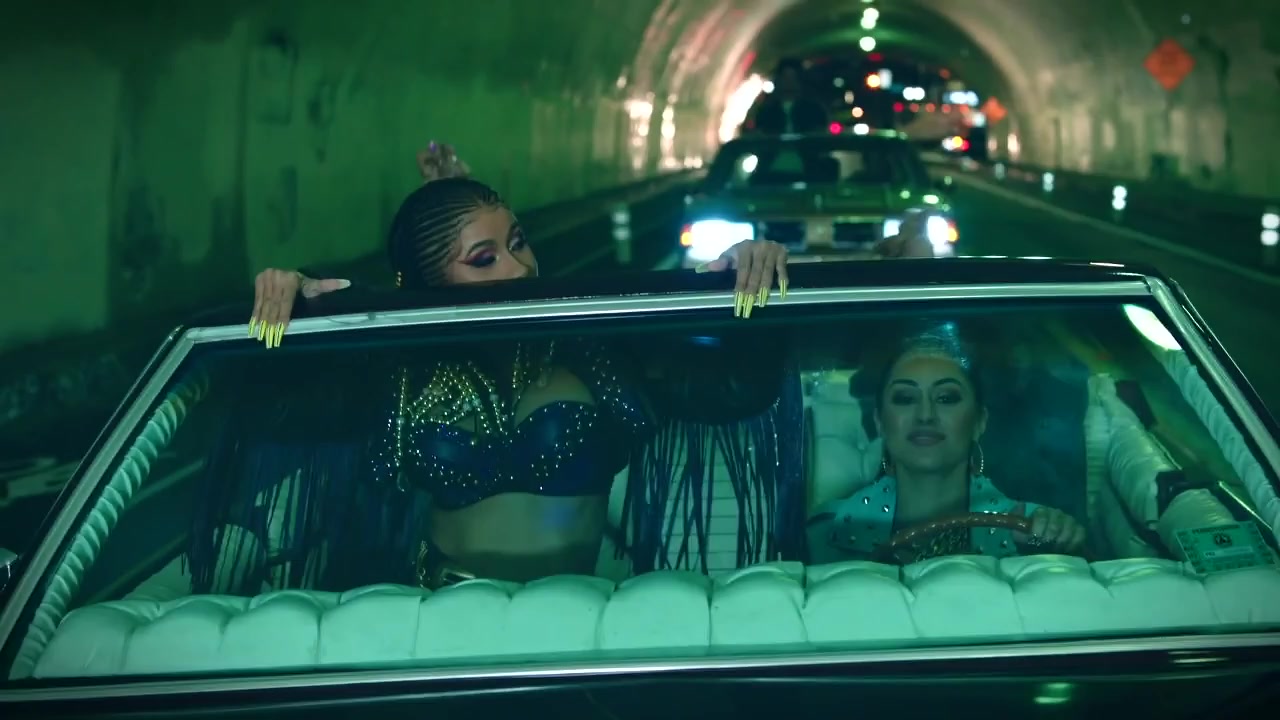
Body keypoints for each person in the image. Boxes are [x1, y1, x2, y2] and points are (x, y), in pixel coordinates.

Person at [190, 150, 799, 594]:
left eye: (518, 242)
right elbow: (275, 412)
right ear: (432, 286)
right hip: (439, 618)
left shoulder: (596, 348)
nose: (519, 268)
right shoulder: (398, 368)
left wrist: (748, 273)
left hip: (580, 616)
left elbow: (736, 389)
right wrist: (286, 306)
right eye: (484, 259)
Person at [805, 322, 1087, 564]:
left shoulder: (1032, 527)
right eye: (905, 398)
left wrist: (1048, 549)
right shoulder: (828, 532)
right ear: (880, 422)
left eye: (946, 398)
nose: (925, 415)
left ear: (979, 421)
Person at [749, 58, 829, 136]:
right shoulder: (766, 112)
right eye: (785, 78)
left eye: (792, 78)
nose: (789, 83)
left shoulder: (814, 110)